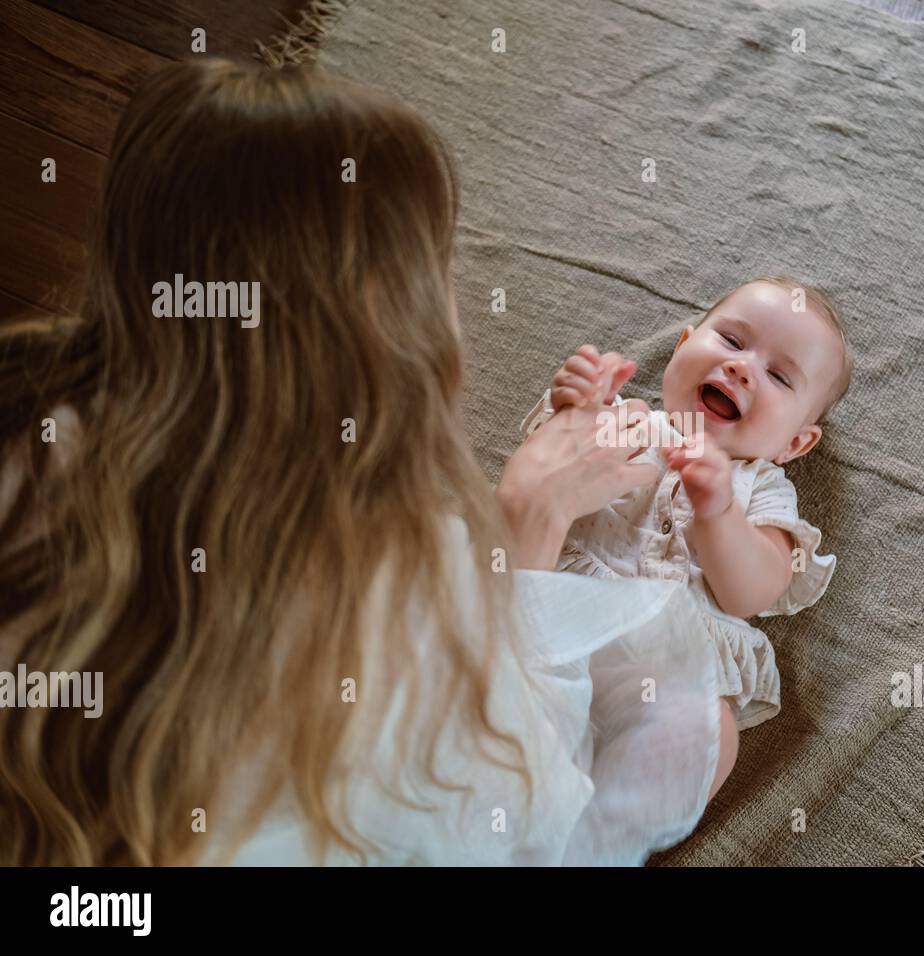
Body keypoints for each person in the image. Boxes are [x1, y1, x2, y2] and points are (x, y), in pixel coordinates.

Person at [0, 58, 736, 866]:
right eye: (438, 268)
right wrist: (527, 519)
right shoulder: (389, 570)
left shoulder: (28, 404)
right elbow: (508, 814)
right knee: (704, 729)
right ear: (386, 320)